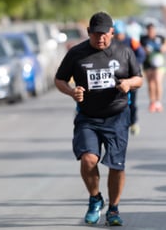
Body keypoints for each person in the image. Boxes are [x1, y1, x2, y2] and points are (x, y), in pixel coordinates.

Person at [54, 12, 143, 226]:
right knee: (88, 160)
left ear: (112, 32)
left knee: (117, 165)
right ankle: (95, 199)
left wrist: (128, 84)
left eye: (104, 34)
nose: (100, 38)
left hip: (117, 116)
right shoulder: (77, 53)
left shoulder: (124, 52)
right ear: (88, 33)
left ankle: (113, 209)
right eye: (95, 35)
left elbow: (139, 79)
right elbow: (59, 80)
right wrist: (72, 92)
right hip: (88, 117)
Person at [113, 20, 146, 135]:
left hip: (131, 77)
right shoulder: (111, 43)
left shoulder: (132, 41)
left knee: (132, 102)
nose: (118, 36)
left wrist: (134, 65)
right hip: (117, 79)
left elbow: (141, 54)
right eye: (116, 34)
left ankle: (133, 122)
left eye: (120, 34)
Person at [140, 23, 166, 112]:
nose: (151, 32)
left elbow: (164, 47)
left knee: (158, 81)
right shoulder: (143, 39)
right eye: (149, 30)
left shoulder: (160, 38)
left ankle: (158, 102)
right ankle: (152, 102)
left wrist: (163, 48)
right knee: (151, 83)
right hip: (148, 63)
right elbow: (140, 49)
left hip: (159, 63)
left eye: (152, 30)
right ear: (147, 31)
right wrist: (145, 50)